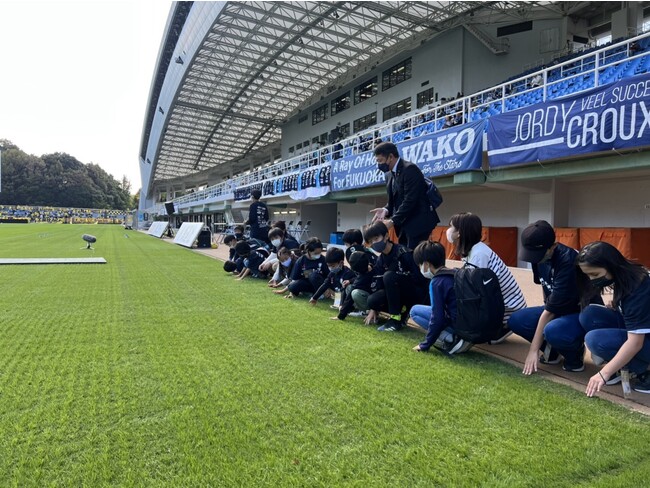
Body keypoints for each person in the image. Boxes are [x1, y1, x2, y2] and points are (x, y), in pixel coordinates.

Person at [508, 220, 603, 375]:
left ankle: (574, 355)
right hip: (558, 309)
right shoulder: (539, 258)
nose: (534, 259)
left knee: (554, 330)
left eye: (538, 254)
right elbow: (545, 287)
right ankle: (552, 352)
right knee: (517, 320)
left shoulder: (568, 262)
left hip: (582, 313)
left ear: (553, 246)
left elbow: (550, 312)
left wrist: (533, 351)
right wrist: (546, 303)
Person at [576, 242, 650, 395]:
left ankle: (644, 369)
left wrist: (604, 373)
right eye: (588, 275)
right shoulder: (625, 275)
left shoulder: (638, 287)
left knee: (595, 339)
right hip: (644, 334)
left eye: (595, 274)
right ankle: (624, 364)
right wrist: (617, 304)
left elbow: (636, 342)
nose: (591, 279)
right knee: (589, 314)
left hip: (643, 339)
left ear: (610, 265)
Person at [444, 212, 527, 344]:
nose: (448, 230)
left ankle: (502, 327)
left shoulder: (479, 254)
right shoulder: (474, 250)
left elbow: (474, 292)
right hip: (504, 304)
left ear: (459, 232)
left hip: (509, 309)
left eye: (451, 227)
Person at [369, 142, 439, 250]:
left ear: (390, 157)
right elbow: (395, 200)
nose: (379, 165)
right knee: (404, 255)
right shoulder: (388, 174)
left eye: (380, 160)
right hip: (403, 225)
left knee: (414, 256)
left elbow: (410, 200)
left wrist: (392, 221)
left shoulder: (410, 169)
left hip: (418, 224)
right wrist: (385, 210)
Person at [364, 221, 430, 331]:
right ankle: (401, 312)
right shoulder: (380, 260)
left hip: (414, 293)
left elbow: (420, 279)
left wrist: (401, 279)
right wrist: (373, 309)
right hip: (396, 295)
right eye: (371, 242)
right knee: (372, 301)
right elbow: (380, 284)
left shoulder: (404, 253)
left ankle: (395, 320)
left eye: (376, 239)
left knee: (389, 276)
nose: (374, 243)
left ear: (386, 236)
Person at [411, 241, 472, 354]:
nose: (420, 268)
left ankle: (451, 338)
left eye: (420, 265)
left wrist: (426, 344)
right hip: (470, 322)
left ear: (426, 264)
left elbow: (437, 316)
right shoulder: (455, 272)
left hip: (458, 326)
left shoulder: (437, 282)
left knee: (414, 311)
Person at [332, 251, 376, 321]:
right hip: (375, 297)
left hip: (375, 301)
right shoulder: (373, 267)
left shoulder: (361, 279)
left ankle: (369, 313)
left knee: (355, 293)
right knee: (349, 287)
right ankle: (363, 310)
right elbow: (358, 278)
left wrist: (341, 315)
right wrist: (350, 281)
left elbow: (349, 297)